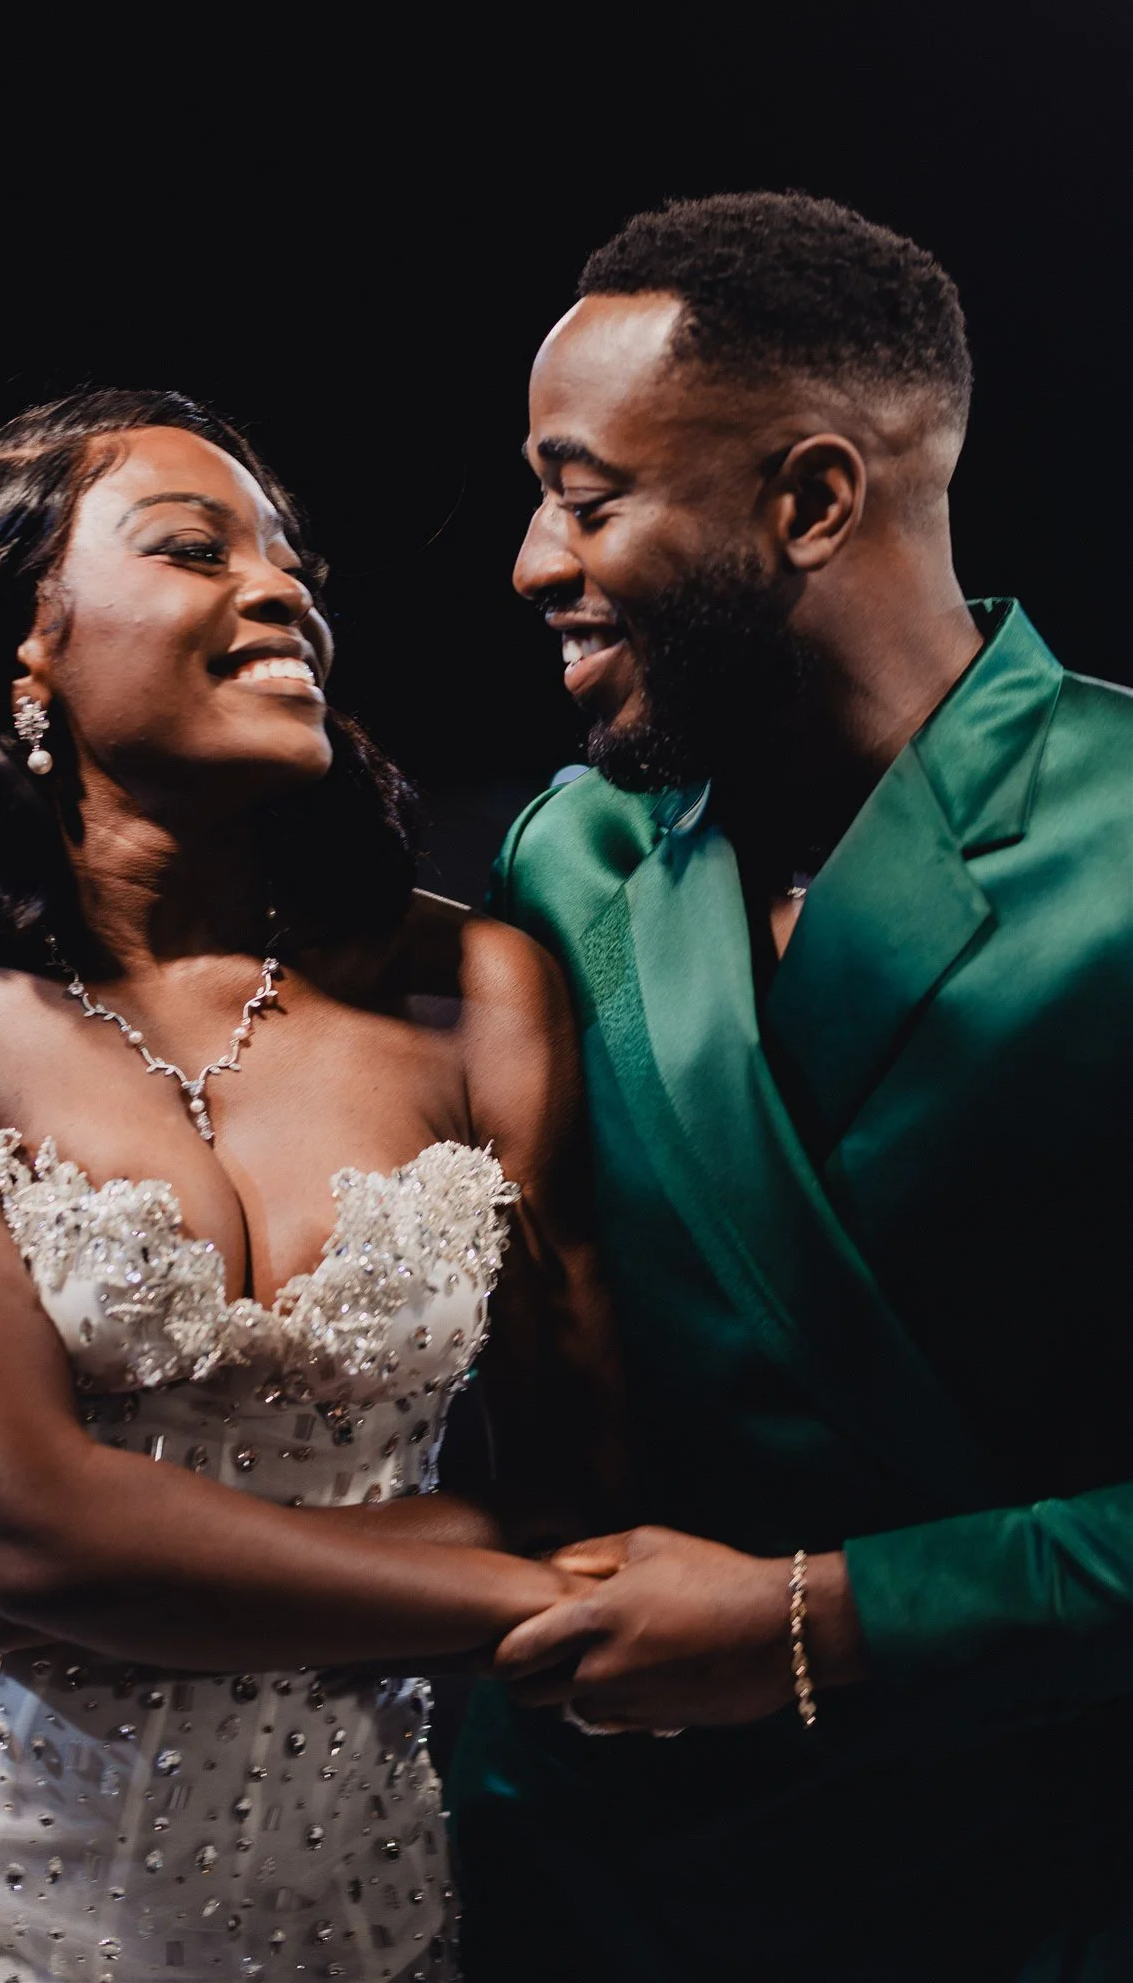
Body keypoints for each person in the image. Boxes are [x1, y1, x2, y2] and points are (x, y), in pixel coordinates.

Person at [0, 388, 623, 1983]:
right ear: (22, 642)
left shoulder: (479, 986)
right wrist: (561, 1609)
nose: (285, 587)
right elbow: (38, 1543)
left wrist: (122, 1555)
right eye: (193, 547)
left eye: (291, 560)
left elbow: (583, 1483)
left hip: (341, 1894)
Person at [441, 193, 1133, 1980]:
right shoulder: (570, 855)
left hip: (1035, 1877)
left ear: (811, 501)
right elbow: (377, 1246)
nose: (532, 561)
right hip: (591, 1871)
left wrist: (820, 1617)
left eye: (585, 497)